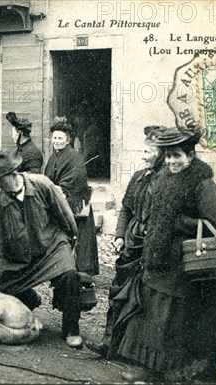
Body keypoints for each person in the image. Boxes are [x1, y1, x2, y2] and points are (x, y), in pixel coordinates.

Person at [115, 127, 216, 381]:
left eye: (178, 156)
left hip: (180, 264)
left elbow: (210, 222)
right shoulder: (163, 178)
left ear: (191, 155)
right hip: (157, 258)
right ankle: (149, 368)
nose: (173, 162)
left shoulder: (204, 184)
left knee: (170, 322)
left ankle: (168, 373)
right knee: (151, 316)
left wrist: (176, 221)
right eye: (169, 156)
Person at [0, 150, 84, 348]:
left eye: (0, 179)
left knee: (70, 276)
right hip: (20, 258)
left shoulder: (42, 185)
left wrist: (71, 242)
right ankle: (30, 297)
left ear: (13, 175)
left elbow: (64, 213)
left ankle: (71, 330)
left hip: (51, 247)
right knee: (2, 290)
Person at [87, 126, 165, 357]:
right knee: (118, 292)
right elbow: (126, 209)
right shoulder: (139, 178)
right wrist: (120, 236)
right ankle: (109, 344)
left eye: (148, 151)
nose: (143, 155)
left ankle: (134, 352)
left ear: (161, 153)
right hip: (132, 244)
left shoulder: (167, 181)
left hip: (151, 246)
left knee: (143, 301)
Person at [44, 117, 99, 276]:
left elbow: (77, 181)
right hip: (59, 202)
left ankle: (79, 272)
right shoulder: (54, 156)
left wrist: (56, 188)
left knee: (78, 243)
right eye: (54, 138)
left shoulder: (75, 157)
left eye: (60, 138)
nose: (57, 141)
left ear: (68, 140)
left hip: (74, 205)